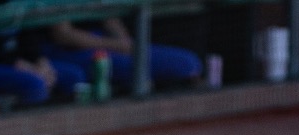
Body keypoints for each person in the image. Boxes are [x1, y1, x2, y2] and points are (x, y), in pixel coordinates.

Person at [46, 16, 202, 92]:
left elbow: (110, 19)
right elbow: (63, 35)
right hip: (70, 50)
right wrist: (116, 45)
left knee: (188, 63)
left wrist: (126, 43)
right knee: (133, 69)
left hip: (108, 42)